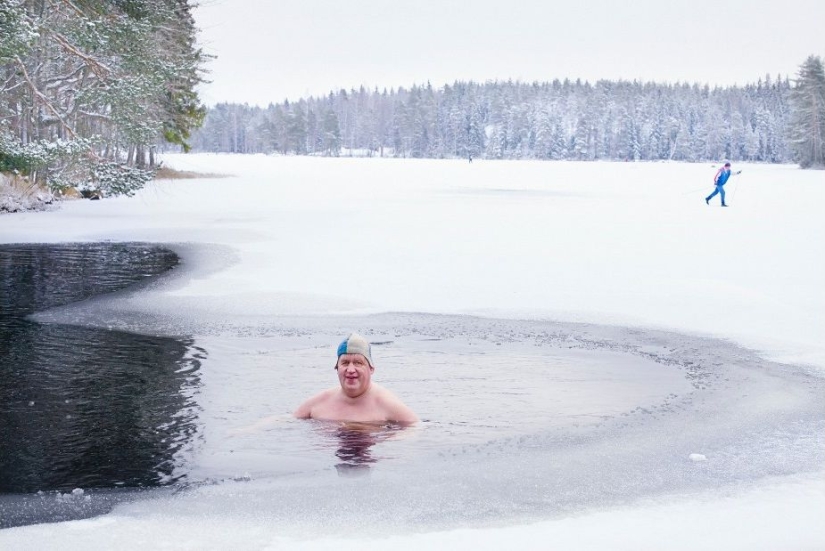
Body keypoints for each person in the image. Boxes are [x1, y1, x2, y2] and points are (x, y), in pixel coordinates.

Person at [293, 333, 419, 425]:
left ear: (371, 368)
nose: (351, 370)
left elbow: (415, 429)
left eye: (358, 363)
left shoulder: (387, 404)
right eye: (345, 363)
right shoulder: (318, 402)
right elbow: (290, 421)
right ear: (337, 367)